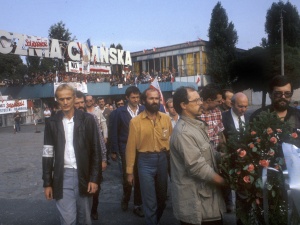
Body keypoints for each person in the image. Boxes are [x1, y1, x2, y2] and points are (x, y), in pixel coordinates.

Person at [42, 84, 102, 225]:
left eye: (68, 98)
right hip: (62, 176)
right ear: (57, 100)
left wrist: (94, 178)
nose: (65, 102)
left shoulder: (88, 119)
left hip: (84, 175)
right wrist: (47, 183)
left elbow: (96, 151)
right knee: (68, 220)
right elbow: (47, 154)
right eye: (61, 99)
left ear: (74, 98)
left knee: (85, 219)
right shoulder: (51, 123)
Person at [170, 86, 226, 225]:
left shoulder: (197, 126)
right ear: (184, 105)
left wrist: (229, 157)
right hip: (197, 203)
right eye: (195, 100)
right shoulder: (183, 132)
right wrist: (223, 182)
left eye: (200, 99)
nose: (201, 103)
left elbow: (210, 153)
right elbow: (196, 166)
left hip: (207, 199)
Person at [126, 88, 173, 225]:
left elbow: (171, 141)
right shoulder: (135, 122)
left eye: (157, 98)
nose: (154, 101)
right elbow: (130, 148)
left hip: (163, 160)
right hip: (144, 162)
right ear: (144, 101)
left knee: (162, 199)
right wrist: (129, 172)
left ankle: (153, 220)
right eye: (151, 98)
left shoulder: (166, 119)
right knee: (150, 200)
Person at [111, 86, 144, 217]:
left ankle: (137, 204)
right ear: (127, 98)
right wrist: (114, 150)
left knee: (140, 178)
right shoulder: (119, 112)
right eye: (133, 97)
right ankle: (126, 198)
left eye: (137, 97)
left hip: (141, 149)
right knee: (127, 177)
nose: (135, 100)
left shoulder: (143, 110)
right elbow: (114, 132)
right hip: (125, 149)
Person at [74, 90, 107, 220]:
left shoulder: (91, 117)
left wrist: (103, 159)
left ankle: (93, 209)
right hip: (76, 162)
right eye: (77, 103)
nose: (80, 105)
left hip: (92, 160)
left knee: (95, 186)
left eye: (82, 102)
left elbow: (99, 140)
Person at [250, 75, 300, 147]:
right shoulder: (258, 116)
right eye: (278, 93)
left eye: (287, 94)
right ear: (270, 94)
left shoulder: (298, 115)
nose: (283, 97)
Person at [222, 92, 249, 214]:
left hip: (245, 161)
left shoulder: (249, 117)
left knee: (243, 193)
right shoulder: (223, 117)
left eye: (245, 106)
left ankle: (241, 217)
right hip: (228, 159)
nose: (243, 109)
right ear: (232, 104)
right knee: (225, 187)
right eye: (240, 106)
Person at [199, 85, 225, 151]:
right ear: (209, 100)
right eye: (218, 101)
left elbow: (220, 133)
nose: (220, 103)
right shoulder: (196, 115)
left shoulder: (217, 112)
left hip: (217, 153)